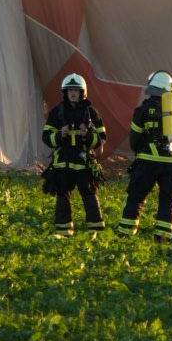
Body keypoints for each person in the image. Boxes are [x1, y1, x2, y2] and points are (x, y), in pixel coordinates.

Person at [119, 71, 172, 242]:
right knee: (167, 200)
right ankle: (163, 237)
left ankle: (126, 234)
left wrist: (141, 152)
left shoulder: (143, 110)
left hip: (148, 162)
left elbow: (134, 138)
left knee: (136, 197)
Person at [41, 73, 105, 236]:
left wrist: (88, 136)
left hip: (84, 163)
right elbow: (46, 137)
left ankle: (95, 229)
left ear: (83, 92)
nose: (73, 93)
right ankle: (64, 230)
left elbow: (101, 138)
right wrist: (59, 135)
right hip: (63, 163)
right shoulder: (57, 112)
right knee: (63, 196)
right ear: (65, 93)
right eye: (70, 90)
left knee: (89, 194)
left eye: (76, 90)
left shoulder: (91, 112)